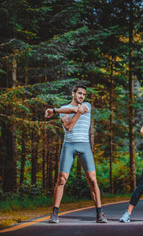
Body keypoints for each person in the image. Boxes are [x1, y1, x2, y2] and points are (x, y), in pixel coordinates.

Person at [45, 84, 107, 223]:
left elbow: (77, 110)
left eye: (84, 94)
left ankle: (100, 213)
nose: (81, 96)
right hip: (69, 145)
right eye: (79, 93)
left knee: (92, 179)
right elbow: (68, 127)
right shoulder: (64, 109)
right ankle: (54, 213)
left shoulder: (87, 106)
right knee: (61, 179)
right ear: (73, 93)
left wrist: (54, 110)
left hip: (84, 145)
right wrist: (68, 112)